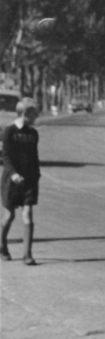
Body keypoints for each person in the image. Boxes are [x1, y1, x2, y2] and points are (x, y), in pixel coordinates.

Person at [1, 98, 42, 265]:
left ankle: (27, 254)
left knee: (27, 215)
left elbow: (34, 156)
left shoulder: (33, 133)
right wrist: (13, 174)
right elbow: (6, 156)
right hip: (11, 181)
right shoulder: (9, 131)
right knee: (9, 215)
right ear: (25, 114)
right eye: (34, 113)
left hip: (29, 181)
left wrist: (36, 175)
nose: (37, 116)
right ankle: (2, 246)